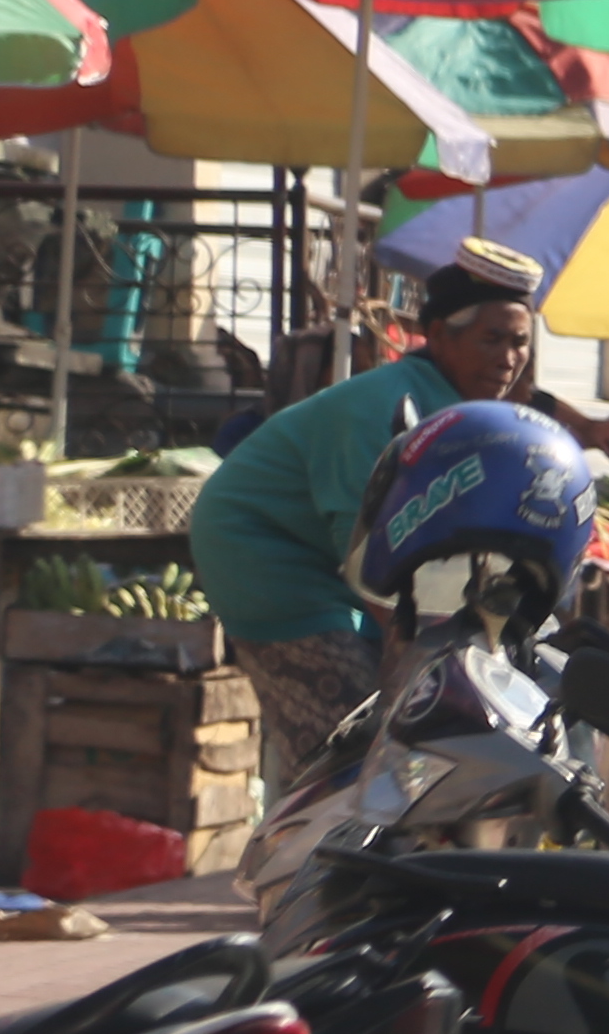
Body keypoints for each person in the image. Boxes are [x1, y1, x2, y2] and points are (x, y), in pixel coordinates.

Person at [196, 240, 550, 809]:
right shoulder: (388, 408)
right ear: (438, 335)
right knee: (347, 746)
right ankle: (306, 872)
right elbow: (375, 559)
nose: (509, 358)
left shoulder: (472, 416)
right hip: (265, 554)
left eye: (520, 343)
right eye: (492, 339)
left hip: (340, 563)